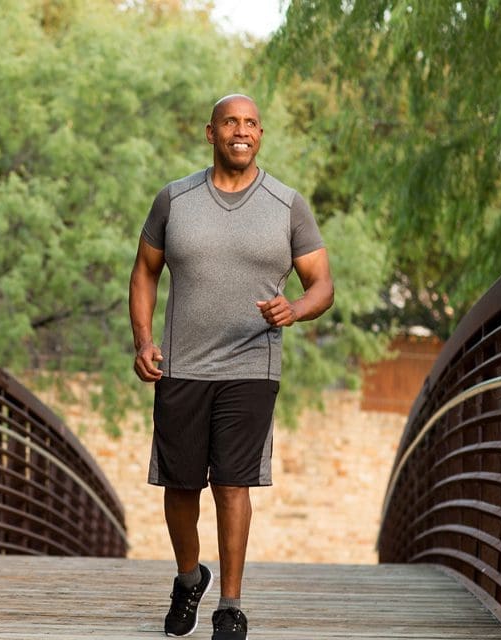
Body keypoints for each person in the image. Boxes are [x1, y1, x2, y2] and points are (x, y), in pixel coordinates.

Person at [128, 94, 334, 639]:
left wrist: (296, 308)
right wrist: (144, 340)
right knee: (180, 485)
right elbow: (145, 272)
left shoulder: (287, 204)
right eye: (229, 123)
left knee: (233, 484)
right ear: (211, 132)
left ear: (260, 134)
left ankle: (230, 605)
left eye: (250, 124)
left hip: (252, 364)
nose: (240, 131)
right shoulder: (175, 199)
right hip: (182, 365)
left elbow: (322, 285)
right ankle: (189, 576)